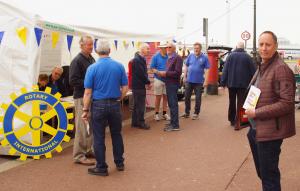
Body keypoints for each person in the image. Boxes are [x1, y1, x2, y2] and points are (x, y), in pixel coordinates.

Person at [245, 31, 296, 191]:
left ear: (275, 47)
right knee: (264, 174)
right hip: (256, 129)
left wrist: (257, 113)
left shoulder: (281, 69)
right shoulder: (263, 66)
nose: (264, 48)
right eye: (261, 44)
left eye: (268, 44)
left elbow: (287, 103)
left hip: (270, 132)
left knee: (269, 177)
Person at [82, 39, 128, 176]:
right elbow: (125, 88)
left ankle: (101, 167)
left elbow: (88, 92)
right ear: (110, 50)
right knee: (116, 134)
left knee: (99, 137)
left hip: (98, 105)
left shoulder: (92, 68)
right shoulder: (119, 66)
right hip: (114, 104)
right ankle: (119, 163)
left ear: (96, 51)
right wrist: (120, 97)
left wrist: (85, 110)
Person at [69, 36, 95, 166]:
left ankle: (88, 150)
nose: (91, 47)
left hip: (89, 96)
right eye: (89, 45)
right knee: (81, 127)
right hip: (81, 97)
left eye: (92, 44)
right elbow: (73, 81)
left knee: (90, 126)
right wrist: (89, 83)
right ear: (81, 45)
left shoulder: (91, 59)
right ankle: (78, 155)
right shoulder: (77, 61)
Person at [220, 41, 256, 130]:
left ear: (236, 46)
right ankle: (238, 122)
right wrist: (254, 83)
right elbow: (253, 71)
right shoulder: (248, 57)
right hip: (243, 84)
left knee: (231, 102)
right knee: (241, 103)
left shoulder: (230, 56)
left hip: (231, 83)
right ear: (243, 48)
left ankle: (231, 119)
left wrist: (223, 83)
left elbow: (225, 70)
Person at [155, 42, 182, 131]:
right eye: (167, 47)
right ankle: (173, 122)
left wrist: (165, 73)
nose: (167, 49)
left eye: (170, 47)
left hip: (173, 84)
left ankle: (175, 125)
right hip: (169, 83)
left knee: (173, 104)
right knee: (171, 104)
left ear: (174, 48)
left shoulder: (177, 58)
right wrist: (162, 73)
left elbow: (177, 73)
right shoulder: (169, 58)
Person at [181, 42, 210, 120]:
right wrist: (184, 76)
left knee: (198, 98)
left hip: (199, 82)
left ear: (200, 49)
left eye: (197, 48)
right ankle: (187, 112)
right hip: (189, 81)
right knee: (186, 97)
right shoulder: (190, 56)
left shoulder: (204, 57)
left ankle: (196, 113)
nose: (196, 50)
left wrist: (206, 81)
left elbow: (207, 69)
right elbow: (186, 65)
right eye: (195, 48)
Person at [131, 43, 151, 130]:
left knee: (137, 104)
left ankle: (135, 122)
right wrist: (148, 82)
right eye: (147, 49)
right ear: (142, 49)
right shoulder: (138, 60)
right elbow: (142, 74)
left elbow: (142, 73)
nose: (149, 50)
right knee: (140, 105)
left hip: (137, 85)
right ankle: (141, 122)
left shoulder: (139, 59)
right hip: (138, 85)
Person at [150, 41, 170, 121]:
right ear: (161, 48)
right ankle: (156, 114)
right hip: (158, 79)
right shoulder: (155, 57)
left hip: (167, 80)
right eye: (165, 48)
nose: (167, 49)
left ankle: (164, 113)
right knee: (158, 98)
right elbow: (152, 68)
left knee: (166, 97)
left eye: (167, 47)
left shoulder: (168, 56)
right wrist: (159, 72)